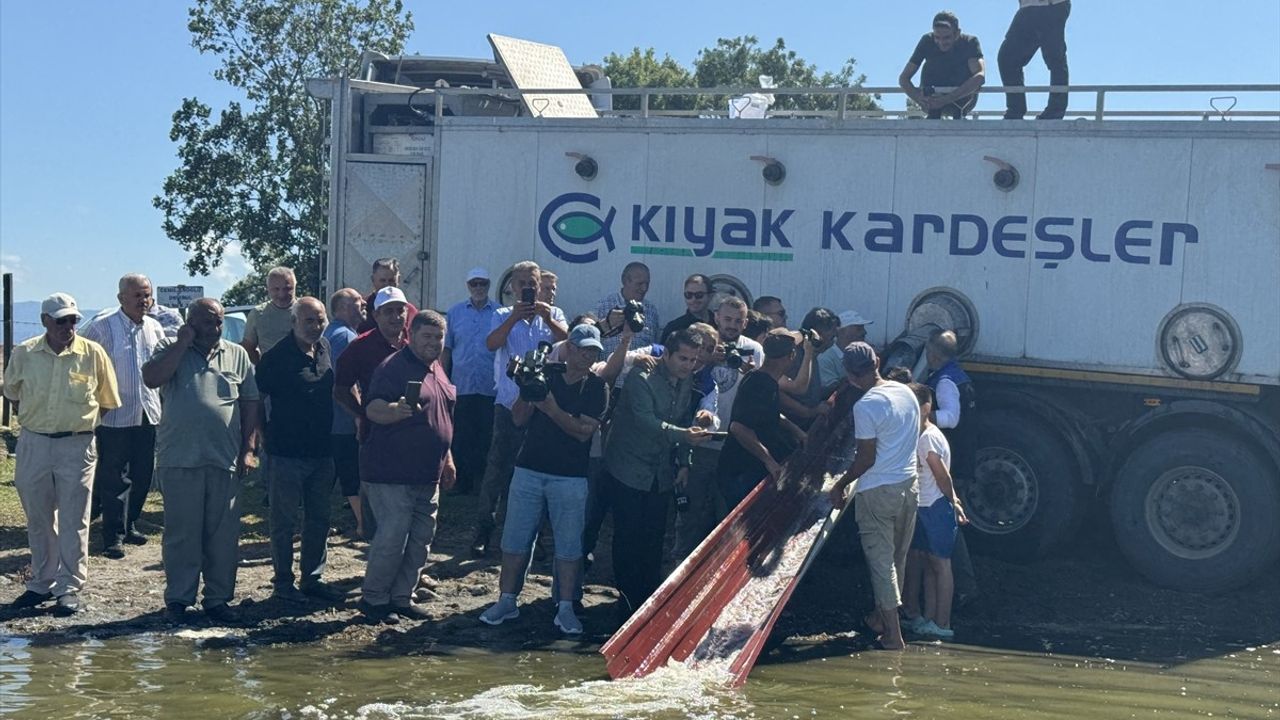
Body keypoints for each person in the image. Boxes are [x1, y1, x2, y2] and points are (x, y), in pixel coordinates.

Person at [479, 323, 609, 635]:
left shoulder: (596, 387)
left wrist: (550, 408)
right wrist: (527, 388)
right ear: (569, 348)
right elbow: (518, 418)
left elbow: (583, 433)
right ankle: (507, 600)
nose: (587, 356)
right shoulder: (546, 372)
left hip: (571, 477)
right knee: (515, 539)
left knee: (568, 545)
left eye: (593, 351)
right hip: (529, 469)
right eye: (582, 349)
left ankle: (565, 606)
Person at [143, 299, 259, 625]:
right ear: (190, 322)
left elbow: (251, 403)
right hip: (179, 458)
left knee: (223, 535)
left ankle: (218, 599)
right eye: (206, 322)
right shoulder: (169, 347)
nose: (214, 329)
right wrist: (182, 344)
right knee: (182, 534)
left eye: (219, 322)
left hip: (225, 459)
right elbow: (152, 379)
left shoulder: (237, 355)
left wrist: (248, 449)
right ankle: (179, 599)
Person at [4, 293, 120, 615]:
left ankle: (68, 586)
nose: (68, 326)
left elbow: (107, 401)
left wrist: (80, 430)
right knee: (38, 516)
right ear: (45, 321)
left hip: (77, 444)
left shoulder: (93, 354)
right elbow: (12, 393)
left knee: (74, 517)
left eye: (73, 320)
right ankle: (41, 582)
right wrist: (36, 423)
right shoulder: (24, 353)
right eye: (61, 320)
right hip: (34, 442)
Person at [603, 328, 711, 617]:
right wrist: (684, 437)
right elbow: (645, 422)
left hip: (660, 470)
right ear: (667, 354)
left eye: (692, 360)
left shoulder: (687, 380)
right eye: (683, 358)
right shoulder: (641, 378)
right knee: (627, 534)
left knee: (653, 535)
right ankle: (626, 599)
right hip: (629, 465)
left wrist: (685, 461)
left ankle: (647, 598)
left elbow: (684, 420)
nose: (687, 365)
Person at [358, 311, 457, 623]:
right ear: (410, 336)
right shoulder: (393, 368)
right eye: (426, 336)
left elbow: (443, 417)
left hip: (429, 474)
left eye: (438, 337)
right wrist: (395, 409)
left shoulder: (437, 368)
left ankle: (401, 598)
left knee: (419, 541)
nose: (433, 342)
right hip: (392, 475)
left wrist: (449, 458)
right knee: (392, 540)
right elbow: (372, 408)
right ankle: (374, 600)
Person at [828, 342, 920, 651]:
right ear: (877, 362)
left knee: (881, 563)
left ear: (850, 375)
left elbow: (865, 458)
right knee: (897, 558)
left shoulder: (865, 406)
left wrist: (840, 484)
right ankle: (882, 619)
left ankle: (893, 635)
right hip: (909, 486)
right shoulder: (907, 393)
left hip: (877, 491)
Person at [473, 261, 568, 557]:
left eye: (532, 283)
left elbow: (569, 342)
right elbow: (491, 344)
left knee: (538, 470)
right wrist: (513, 319)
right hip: (507, 403)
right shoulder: (502, 314)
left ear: (540, 285)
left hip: (543, 405)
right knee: (497, 470)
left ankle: (535, 535)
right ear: (513, 287)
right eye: (522, 283)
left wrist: (548, 319)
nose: (527, 288)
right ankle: (483, 530)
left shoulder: (554, 314)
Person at [256, 298, 345, 603]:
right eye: (308, 321)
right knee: (283, 521)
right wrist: (261, 436)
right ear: (293, 322)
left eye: (320, 320)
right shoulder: (275, 357)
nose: (315, 326)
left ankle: (312, 578)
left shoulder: (324, 349)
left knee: (319, 518)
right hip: (285, 453)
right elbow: (257, 398)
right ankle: (283, 583)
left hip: (322, 451)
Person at [80, 274, 165, 559]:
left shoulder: (154, 328)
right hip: (114, 415)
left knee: (142, 474)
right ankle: (112, 536)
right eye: (137, 295)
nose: (144, 301)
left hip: (147, 412)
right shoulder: (102, 327)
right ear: (121, 299)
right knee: (114, 476)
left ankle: (130, 525)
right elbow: (82, 359)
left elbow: (162, 365)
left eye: (147, 295)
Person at [676, 297, 762, 560]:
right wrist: (709, 359)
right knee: (691, 509)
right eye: (727, 319)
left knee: (729, 512)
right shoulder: (699, 345)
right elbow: (682, 379)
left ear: (746, 323)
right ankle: (680, 564)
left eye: (738, 321)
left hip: (734, 444)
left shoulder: (755, 349)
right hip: (699, 444)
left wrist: (750, 373)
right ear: (716, 318)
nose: (732, 325)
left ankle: (726, 565)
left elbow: (758, 394)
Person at [902, 383, 969, 640]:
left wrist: (954, 501)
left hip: (936, 505)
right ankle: (928, 618)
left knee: (941, 564)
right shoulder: (920, 434)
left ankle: (943, 623)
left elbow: (942, 475)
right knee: (930, 564)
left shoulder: (928, 437)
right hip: (924, 505)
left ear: (926, 407)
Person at [717, 329, 808, 508]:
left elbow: (769, 414)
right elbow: (739, 427)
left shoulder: (767, 380)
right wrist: (769, 461)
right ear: (790, 356)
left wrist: (798, 432)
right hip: (741, 471)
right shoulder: (758, 384)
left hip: (750, 469)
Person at [923, 329, 981, 605]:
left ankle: (964, 588)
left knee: (950, 527)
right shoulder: (959, 376)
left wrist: (921, 413)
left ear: (933, 353)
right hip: (962, 457)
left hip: (951, 463)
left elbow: (951, 418)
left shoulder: (945, 381)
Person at [443, 268, 499, 495]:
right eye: (474, 284)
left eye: (482, 283)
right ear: (468, 286)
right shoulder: (455, 313)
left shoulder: (499, 312)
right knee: (461, 435)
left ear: (488, 285)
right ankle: (462, 481)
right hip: (462, 385)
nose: (478, 288)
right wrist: (443, 379)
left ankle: (482, 483)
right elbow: (446, 349)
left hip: (490, 386)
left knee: (487, 436)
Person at [323, 288, 367, 537]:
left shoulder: (331, 333)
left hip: (330, 419)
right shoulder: (345, 337)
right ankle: (364, 524)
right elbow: (346, 381)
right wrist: (358, 415)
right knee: (351, 471)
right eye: (357, 302)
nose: (363, 304)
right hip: (343, 420)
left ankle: (316, 521)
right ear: (341, 308)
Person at [899, 11, 986, 120]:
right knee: (929, 66)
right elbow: (904, 78)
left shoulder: (969, 42)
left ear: (957, 33)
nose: (941, 42)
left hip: (962, 99)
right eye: (937, 37)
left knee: (971, 76)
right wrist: (918, 98)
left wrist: (947, 99)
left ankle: (957, 113)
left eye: (946, 37)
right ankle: (933, 111)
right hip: (933, 97)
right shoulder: (927, 41)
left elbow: (980, 76)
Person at [999, 0, 1071, 120]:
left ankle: (1056, 110)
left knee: (1055, 58)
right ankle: (1016, 109)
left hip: (1052, 5)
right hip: (1028, 7)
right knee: (1007, 58)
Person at [597, 262, 661, 353]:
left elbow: (656, 346)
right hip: (607, 365)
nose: (644, 288)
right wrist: (607, 324)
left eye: (647, 284)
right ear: (625, 280)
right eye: (640, 284)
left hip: (640, 366)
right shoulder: (604, 306)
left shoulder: (651, 311)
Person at [242, 266, 298, 363]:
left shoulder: (307, 310)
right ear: (268, 289)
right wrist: (262, 366)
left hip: (303, 373)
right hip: (270, 374)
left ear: (295, 287)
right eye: (276, 289)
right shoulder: (258, 314)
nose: (282, 294)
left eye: (287, 289)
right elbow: (248, 347)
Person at [356, 258, 419, 334]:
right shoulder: (361, 308)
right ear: (373, 280)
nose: (387, 285)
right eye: (382, 280)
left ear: (398, 280)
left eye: (391, 280)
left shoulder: (410, 311)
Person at [818, 310, 874, 390]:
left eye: (863, 328)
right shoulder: (825, 360)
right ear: (841, 331)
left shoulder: (864, 356)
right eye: (858, 328)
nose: (864, 332)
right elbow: (831, 392)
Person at [661, 274, 715, 341]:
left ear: (710, 296)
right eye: (688, 295)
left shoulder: (721, 324)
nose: (693, 299)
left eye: (699, 295)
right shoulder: (673, 328)